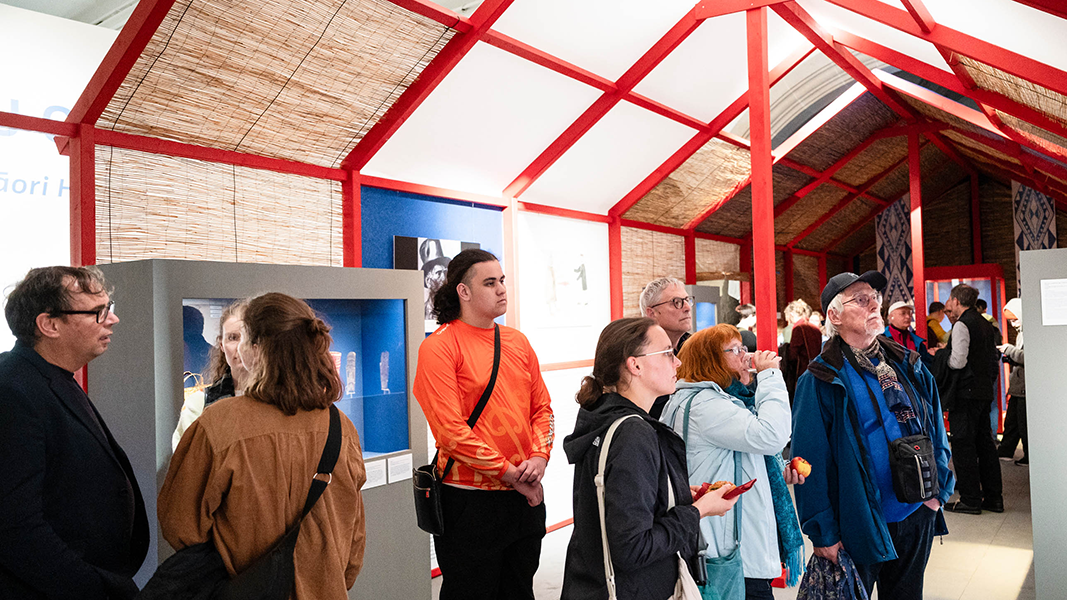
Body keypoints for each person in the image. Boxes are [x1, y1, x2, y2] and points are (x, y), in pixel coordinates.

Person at [158, 293, 367, 599]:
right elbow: (354, 536)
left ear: (255, 348)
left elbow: (180, 526)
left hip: (242, 590)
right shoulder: (341, 427)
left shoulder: (218, 425)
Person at [791, 271, 954, 600]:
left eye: (875, 298)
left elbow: (934, 426)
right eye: (861, 299)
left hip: (916, 511)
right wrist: (822, 532)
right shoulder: (821, 379)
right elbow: (808, 460)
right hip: (859, 521)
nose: (874, 305)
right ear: (835, 316)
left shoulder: (906, 363)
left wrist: (939, 491)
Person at [561, 318, 738, 600]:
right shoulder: (633, 433)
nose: (677, 362)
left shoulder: (603, 418)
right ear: (635, 365)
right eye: (667, 353)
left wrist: (674, 494)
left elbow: (614, 506)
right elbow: (633, 547)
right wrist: (698, 511)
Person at [0, 266, 149, 599]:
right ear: (50, 324)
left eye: (109, 309)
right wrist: (95, 587)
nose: (113, 320)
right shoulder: (13, 390)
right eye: (98, 312)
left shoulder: (51, 377)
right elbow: (15, 525)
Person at [413, 249, 554, 600]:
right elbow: (450, 431)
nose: (501, 289)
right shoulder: (439, 347)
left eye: (502, 280)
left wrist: (539, 458)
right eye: (490, 283)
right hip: (469, 502)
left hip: (524, 496)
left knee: (519, 591)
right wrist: (509, 473)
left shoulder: (517, 341)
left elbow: (543, 409)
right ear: (463, 291)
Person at [661, 324, 806, 599]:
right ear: (711, 360)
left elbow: (742, 453)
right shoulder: (706, 405)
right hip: (731, 552)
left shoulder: (714, 400)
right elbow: (772, 435)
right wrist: (771, 375)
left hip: (732, 546)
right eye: (735, 350)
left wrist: (777, 472)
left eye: (743, 348)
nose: (746, 356)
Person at [939, 284, 1004, 514]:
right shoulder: (985, 323)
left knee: (963, 445)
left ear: (956, 301)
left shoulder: (962, 324)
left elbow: (958, 361)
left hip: (965, 393)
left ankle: (970, 499)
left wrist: (941, 356)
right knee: (985, 445)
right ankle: (994, 497)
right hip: (984, 391)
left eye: (950, 300)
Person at [172, 299, 249, 450]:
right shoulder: (199, 404)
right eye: (233, 338)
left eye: (249, 337)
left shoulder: (283, 401)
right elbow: (187, 460)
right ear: (221, 344)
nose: (241, 347)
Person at [639, 276, 693, 419]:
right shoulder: (640, 355)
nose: (687, 308)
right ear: (652, 313)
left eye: (687, 300)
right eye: (677, 302)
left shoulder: (696, 348)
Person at [997, 298, 1027, 466]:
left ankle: (1027, 455)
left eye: (1015, 319)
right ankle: (1005, 451)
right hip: (1019, 386)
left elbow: (1027, 356)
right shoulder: (1022, 332)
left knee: (1022, 423)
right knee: (1013, 422)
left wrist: (1009, 349)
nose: (1013, 324)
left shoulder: (1027, 333)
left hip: (1023, 387)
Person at [784, 298, 823, 401]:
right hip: (816, 371)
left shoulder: (798, 328)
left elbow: (793, 355)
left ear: (791, 314)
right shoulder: (816, 329)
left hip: (801, 373)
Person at [884, 300, 934, 367]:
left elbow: (925, 364)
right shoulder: (882, 337)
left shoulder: (916, 341)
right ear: (891, 317)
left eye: (910, 314)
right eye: (903, 313)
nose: (908, 317)